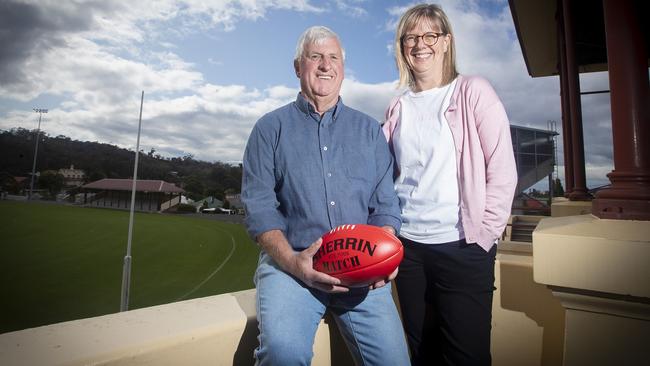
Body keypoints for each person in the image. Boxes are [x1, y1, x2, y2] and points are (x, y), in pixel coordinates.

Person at [242, 25, 410, 366]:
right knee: (281, 355)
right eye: (315, 56)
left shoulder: (369, 132)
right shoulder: (268, 129)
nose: (325, 65)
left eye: (333, 57)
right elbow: (260, 208)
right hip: (292, 267)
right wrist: (293, 263)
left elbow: (385, 205)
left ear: (343, 69)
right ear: (297, 67)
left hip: (362, 268)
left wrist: (384, 251)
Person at [382, 4, 518, 366]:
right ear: (402, 46)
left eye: (429, 35)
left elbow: (503, 170)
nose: (419, 44)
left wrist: (484, 235)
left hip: (463, 247)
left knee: (466, 356)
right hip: (408, 251)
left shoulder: (473, 90)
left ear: (446, 42)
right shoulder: (397, 107)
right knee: (420, 352)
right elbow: (383, 176)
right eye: (410, 37)